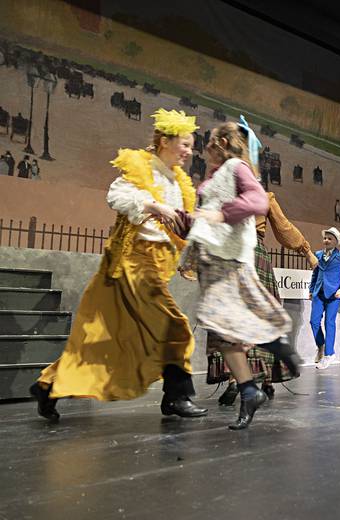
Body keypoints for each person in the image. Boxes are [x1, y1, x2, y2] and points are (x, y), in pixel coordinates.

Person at [31, 108, 206, 421]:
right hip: (133, 264)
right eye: (185, 144)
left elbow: (176, 227)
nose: (189, 152)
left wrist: (185, 250)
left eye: (191, 146)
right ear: (165, 141)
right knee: (176, 326)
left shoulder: (179, 182)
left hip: (157, 264)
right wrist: (153, 205)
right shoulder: (141, 166)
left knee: (101, 340)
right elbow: (117, 195)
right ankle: (178, 396)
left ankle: (48, 385)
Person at [185, 117, 299, 430]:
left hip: (236, 257)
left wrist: (220, 214)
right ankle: (256, 375)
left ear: (223, 144)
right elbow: (202, 222)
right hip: (218, 257)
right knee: (227, 329)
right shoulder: (214, 180)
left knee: (226, 326)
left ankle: (253, 381)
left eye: (210, 143)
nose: (205, 149)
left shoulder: (236, 170)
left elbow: (263, 207)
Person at [218, 190, 318, 406]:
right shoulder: (263, 195)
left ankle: (236, 378)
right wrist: (307, 252)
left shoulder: (224, 193)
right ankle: (261, 379)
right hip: (253, 255)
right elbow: (284, 228)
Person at [309, 227, 340, 369]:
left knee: (329, 322)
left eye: (330, 238)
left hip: (334, 294)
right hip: (319, 292)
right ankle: (320, 345)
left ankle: (329, 354)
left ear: (336, 241)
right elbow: (315, 275)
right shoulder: (318, 254)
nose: (326, 240)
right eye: (325, 238)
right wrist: (311, 290)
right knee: (314, 321)